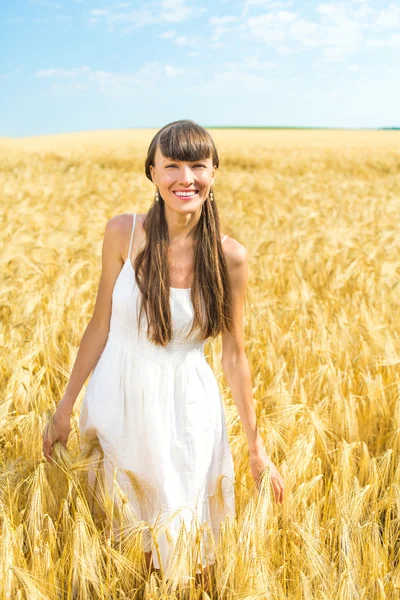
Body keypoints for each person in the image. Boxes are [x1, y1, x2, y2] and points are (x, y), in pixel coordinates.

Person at [42, 119, 284, 590]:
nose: (185, 178)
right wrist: (64, 407)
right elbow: (99, 325)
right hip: (119, 397)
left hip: (187, 413)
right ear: (152, 173)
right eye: (171, 165)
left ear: (214, 172)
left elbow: (234, 354)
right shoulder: (123, 232)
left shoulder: (230, 257)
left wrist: (256, 448)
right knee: (118, 537)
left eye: (197, 165)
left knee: (187, 543)